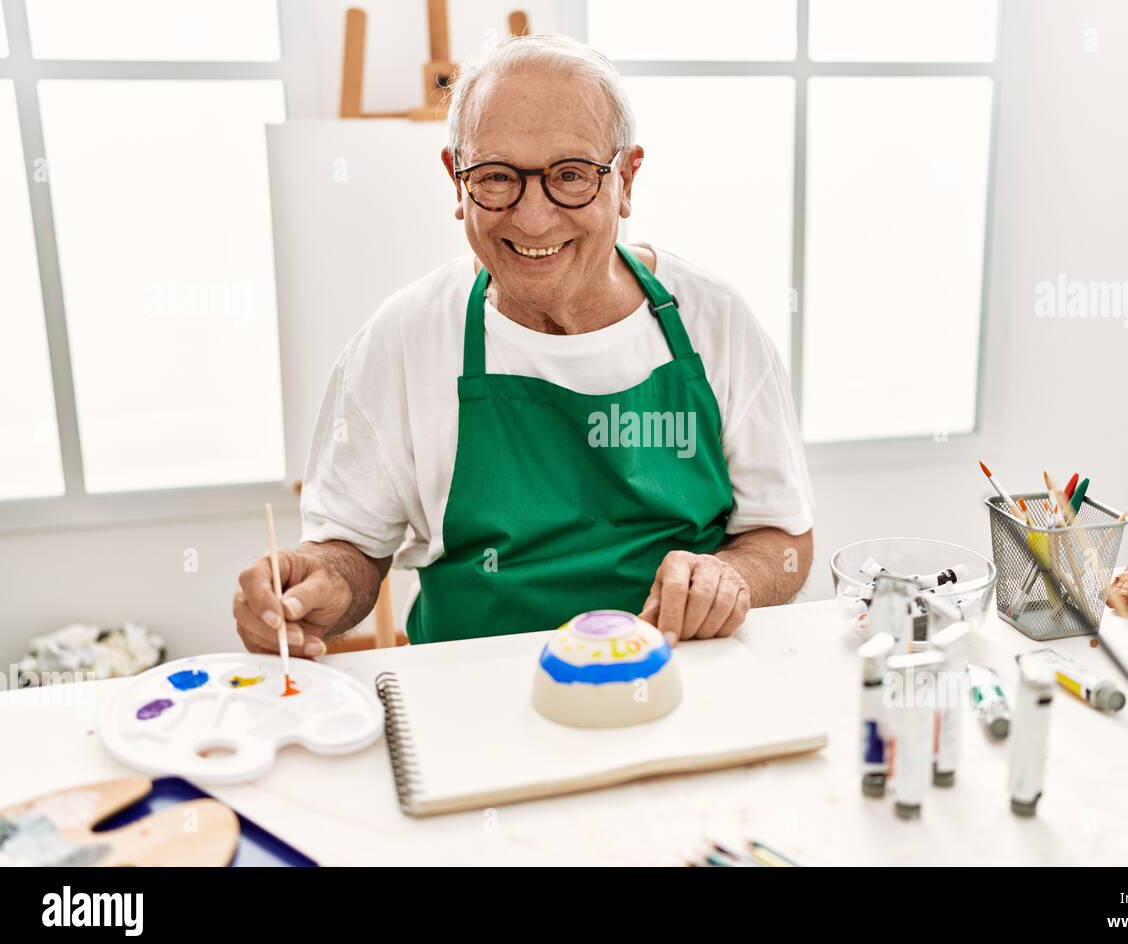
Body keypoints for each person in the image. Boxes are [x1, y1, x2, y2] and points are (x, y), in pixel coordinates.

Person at [233, 34, 814, 654]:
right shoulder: (404, 339)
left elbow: (784, 540)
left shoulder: (714, 321)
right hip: (474, 707)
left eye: (570, 175)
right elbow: (350, 550)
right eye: (496, 177)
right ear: (457, 182)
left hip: (677, 687)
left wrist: (732, 577)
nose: (533, 218)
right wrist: (315, 585)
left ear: (626, 178)